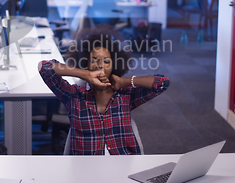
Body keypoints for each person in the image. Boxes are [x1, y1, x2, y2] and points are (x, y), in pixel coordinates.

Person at [38, 26, 170, 155]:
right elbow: (45, 67)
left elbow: (162, 83)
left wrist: (125, 81)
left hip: (124, 167)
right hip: (87, 169)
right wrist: (86, 75)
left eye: (106, 61)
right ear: (85, 63)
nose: (100, 65)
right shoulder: (74, 96)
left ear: (114, 66)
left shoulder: (125, 95)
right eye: (94, 60)